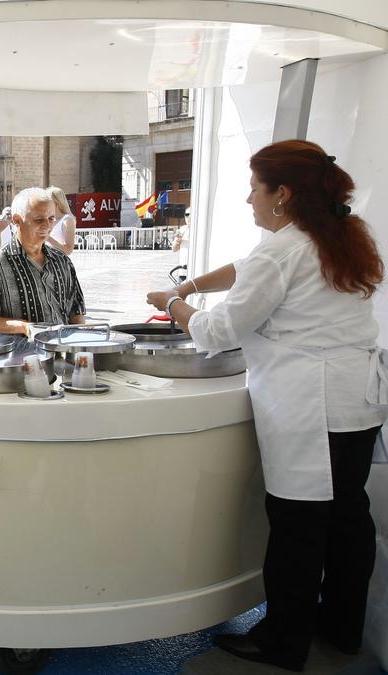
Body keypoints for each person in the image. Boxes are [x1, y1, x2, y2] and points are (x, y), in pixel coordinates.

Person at [145, 141, 388, 672]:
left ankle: (283, 640)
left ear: (283, 193)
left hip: (312, 406)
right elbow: (247, 268)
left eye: (255, 188)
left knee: (298, 525)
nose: (247, 198)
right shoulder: (340, 234)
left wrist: (174, 303)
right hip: (357, 401)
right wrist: (190, 281)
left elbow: (217, 329)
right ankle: (342, 627)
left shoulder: (284, 250)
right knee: (348, 517)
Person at [0, 187, 86, 334]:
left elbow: (76, 310)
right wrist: (24, 327)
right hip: (20, 354)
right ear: (17, 220)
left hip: (60, 349)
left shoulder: (62, 261)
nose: (47, 225)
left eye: (51, 219)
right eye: (39, 219)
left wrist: (76, 345)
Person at [47, 186, 76, 255]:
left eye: (48, 201)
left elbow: (68, 250)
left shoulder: (67, 220)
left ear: (57, 202)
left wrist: (48, 238)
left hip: (58, 263)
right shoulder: (48, 219)